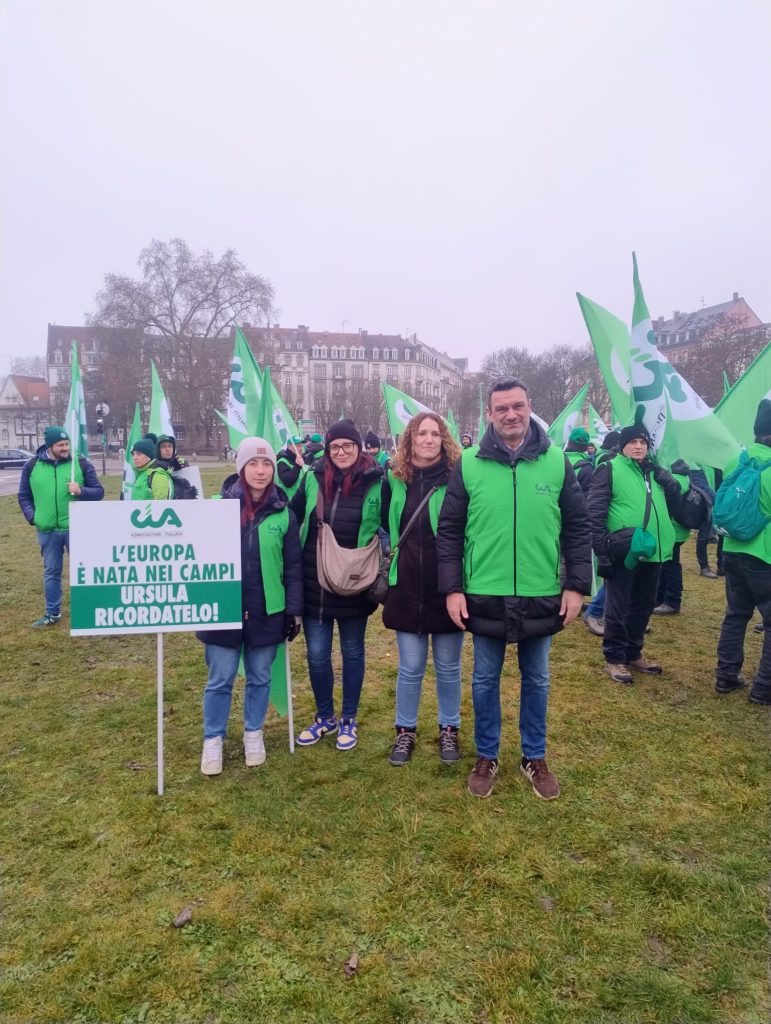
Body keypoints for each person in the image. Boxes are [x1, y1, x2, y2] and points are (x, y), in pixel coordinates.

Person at [437, 379, 591, 801]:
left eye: (517, 406)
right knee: (484, 679)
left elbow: (578, 528)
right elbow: (449, 530)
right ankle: (487, 755)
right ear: (489, 414)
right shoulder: (468, 463)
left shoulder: (558, 462)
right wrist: (452, 588)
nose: (510, 415)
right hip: (483, 592)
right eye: (501, 408)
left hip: (541, 593)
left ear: (529, 407)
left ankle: (533, 756)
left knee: (536, 679)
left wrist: (577, 585)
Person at [198, 437, 303, 775]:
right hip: (222, 608)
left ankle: (253, 732)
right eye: (253, 464)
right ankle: (212, 739)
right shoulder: (216, 508)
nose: (261, 471)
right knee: (221, 678)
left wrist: (293, 610)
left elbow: (293, 567)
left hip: (266, 609)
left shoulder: (284, 515)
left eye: (267, 464)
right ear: (241, 468)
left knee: (259, 677)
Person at [290, 420, 384, 750]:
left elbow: (392, 524)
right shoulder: (312, 478)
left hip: (355, 583)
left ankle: (349, 718)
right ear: (328, 452)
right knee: (317, 655)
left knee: (352, 652)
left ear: (358, 448)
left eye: (347, 445)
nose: (341, 452)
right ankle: (324, 717)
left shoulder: (377, 482)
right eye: (334, 447)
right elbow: (290, 516)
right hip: (314, 582)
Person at [380, 412, 464, 766]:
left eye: (435, 433)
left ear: (443, 439)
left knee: (448, 667)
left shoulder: (457, 479)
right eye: (421, 433)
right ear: (410, 439)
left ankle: (449, 729)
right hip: (406, 587)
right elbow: (383, 526)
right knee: (410, 667)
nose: (428, 439)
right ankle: (405, 731)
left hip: (447, 587)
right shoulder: (394, 480)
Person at [587, 423, 683, 684]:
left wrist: (671, 484)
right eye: (633, 442)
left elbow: (676, 508)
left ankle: (633, 652)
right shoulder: (609, 469)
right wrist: (602, 554)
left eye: (643, 442)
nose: (638, 446)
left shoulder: (655, 473)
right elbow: (594, 514)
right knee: (618, 608)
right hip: (623, 552)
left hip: (654, 552)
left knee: (643, 605)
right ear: (623, 446)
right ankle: (615, 658)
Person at [18, 425, 104, 627]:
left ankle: (92, 612)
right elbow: (23, 496)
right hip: (47, 530)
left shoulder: (80, 464)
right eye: (60, 445)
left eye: (67, 444)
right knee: (51, 572)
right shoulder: (32, 466)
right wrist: (34, 517)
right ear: (50, 446)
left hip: (76, 529)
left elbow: (99, 492)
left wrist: (81, 490)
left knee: (85, 571)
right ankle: (52, 613)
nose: (65, 448)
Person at [714, 399, 771, 705]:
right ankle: (764, 689)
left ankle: (726, 675)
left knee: (736, 615)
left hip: (732, 549)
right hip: (765, 556)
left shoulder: (739, 459)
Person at [581, 430, 621, 637]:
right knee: (614, 577)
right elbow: (597, 501)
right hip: (612, 532)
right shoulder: (607, 463)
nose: (639, 447)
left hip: (630, 535)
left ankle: (620, 616)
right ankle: (595, 611)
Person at [653, 459, 692, 615]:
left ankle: (671, 601)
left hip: (672, 530)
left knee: (670, 566)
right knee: (667, 564)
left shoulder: (675, 482)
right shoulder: (686, 480)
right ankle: (661, 598)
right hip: (680, 530)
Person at [563, 427, 594, 496]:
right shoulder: (587, 468)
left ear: (569, 443)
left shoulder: (557, 460)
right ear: (586, 447)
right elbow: (588, 497)